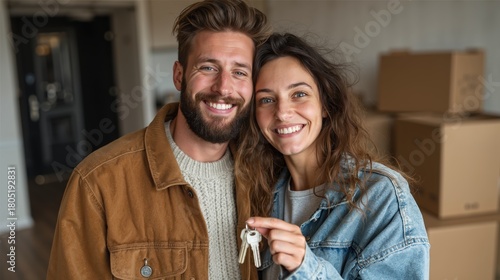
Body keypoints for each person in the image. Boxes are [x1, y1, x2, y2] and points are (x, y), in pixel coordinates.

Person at [46, 1, 271, 279]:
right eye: (208, 68)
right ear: (179, 75)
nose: (223, 87)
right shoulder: (98, 182)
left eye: (239, 72)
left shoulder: (265, 173)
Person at [235, 33, 430, 279]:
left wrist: (306, 268)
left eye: (299, 94)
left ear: (326, 105)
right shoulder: (258, 192)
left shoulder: (381, 196)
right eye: (267, 99)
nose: (282, 112)